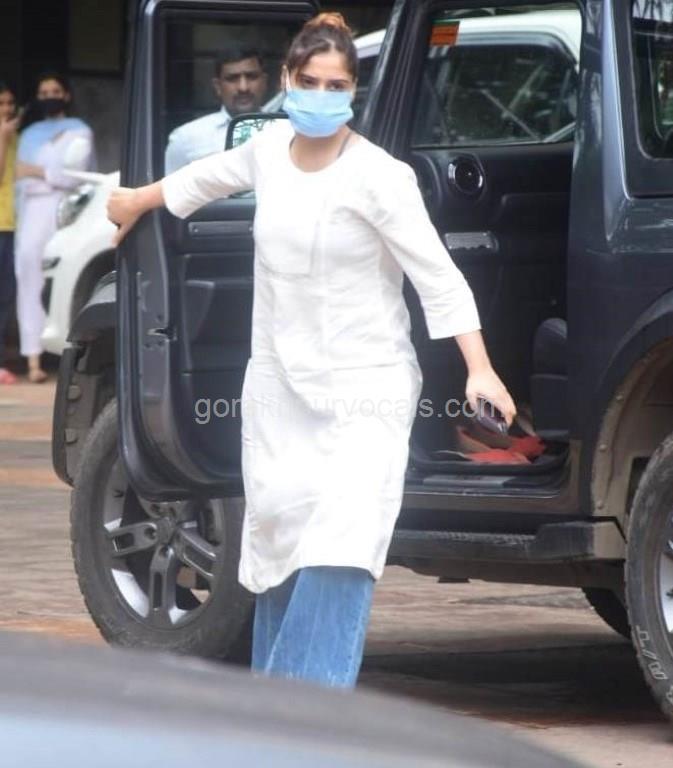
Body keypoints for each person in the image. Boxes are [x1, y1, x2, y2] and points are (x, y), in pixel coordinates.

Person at [107, 13, 516, 688]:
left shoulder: (380, 176)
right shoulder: (268, 151)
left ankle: (311, 714)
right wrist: (136, 202)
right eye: (310, 82)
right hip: (279, 390)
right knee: (280, 546)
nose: (322, 97)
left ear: (354, 90)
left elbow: (437, 277)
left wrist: (480, 369)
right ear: (286, 81)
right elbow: (204, 178)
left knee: (342, 546)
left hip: (367, 388)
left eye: (337, 86)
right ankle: (276, 716)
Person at [14, 72, 94, 383]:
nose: (50, 96)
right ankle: (33, 359)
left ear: (66, 95)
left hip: (65, 211)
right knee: (29, 281)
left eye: (55, 91)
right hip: (31, 213)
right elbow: (19, 177)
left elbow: (74, 176)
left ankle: (68, 359)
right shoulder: (29, 133)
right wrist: (49, 173)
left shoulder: (80, 130)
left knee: (66, 280)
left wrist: (38, 172)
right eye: (44, 92)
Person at [164, 46, 269, 173]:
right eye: (232, 79)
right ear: (218, 86)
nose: (243, 87)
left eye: (251, 77)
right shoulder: (185, 139)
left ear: (264, 82)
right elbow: (172, 185)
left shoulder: (284, 130)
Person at [0, 81, 19, 385]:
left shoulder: (20, 137)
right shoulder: (6, 135)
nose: (6, 109)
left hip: (15, 224)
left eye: (9, 103)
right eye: (0, 104)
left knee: (6, 295)